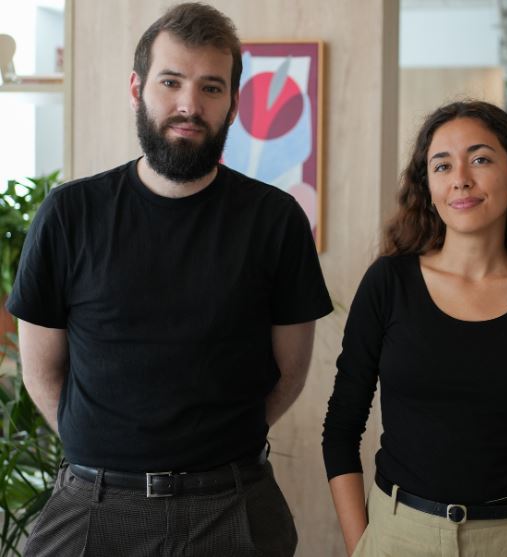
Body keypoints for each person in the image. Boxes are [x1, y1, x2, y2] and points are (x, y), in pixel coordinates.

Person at [7, 3, 332, 556]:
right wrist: (107, 454)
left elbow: (290, 372)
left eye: (211, 88)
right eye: (171, 82)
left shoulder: (275, 220)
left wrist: (214, 450)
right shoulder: (68, 214)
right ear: (137, 89)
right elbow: (40, 371)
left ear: (233, 103)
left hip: (233, 504)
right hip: (94, 505)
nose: (189, 105)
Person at [322, 101, 507, 557]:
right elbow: (341, 426)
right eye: (442, 165)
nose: (460, 179)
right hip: (399, 537)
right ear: (428, 186)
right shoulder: (389, 283)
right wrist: (363, 547)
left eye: (480, 159)